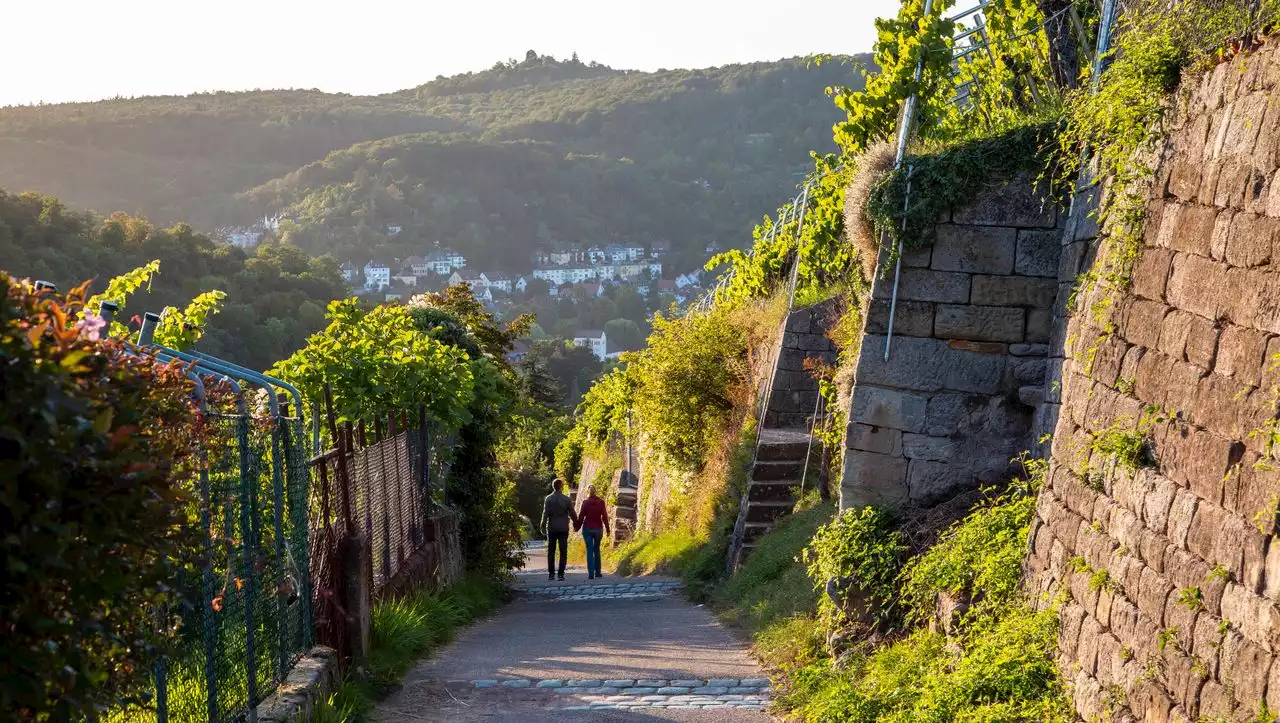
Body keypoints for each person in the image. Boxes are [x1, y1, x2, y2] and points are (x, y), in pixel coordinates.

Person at [540, 478, 578, 581]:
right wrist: (576, 523)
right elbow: (572, 513)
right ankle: (561, 574)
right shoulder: (566, 499)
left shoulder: (548, 499)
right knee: (563, 551)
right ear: (560, 486)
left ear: (553, 486)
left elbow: (545, 514)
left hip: (552, 528)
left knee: (551, 551)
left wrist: (542, 526)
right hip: (563, 528)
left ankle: (551, 574)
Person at [577, 484, 611, 580]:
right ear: (595, 491)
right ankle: (598, 572)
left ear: (588, 492)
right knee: (596, 549)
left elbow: (581, 517)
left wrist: (577, 527)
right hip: (598, 529)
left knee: (589, 550)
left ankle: (591, 573)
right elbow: (604, 517)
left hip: (587, 528)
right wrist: (608, 529)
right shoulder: (601, 502)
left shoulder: (585, 503)